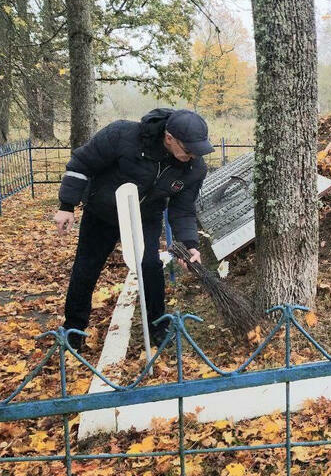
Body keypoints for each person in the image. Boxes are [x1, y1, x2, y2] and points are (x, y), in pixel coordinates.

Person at [54, 109, 213, 350]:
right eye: (188, 150)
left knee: (150, 265)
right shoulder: (122, 135)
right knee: (86, 268)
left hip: (144, 216)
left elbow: (183, 210)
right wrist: (67, 205)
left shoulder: (194, 168)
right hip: (103, 212)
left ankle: (158, 326)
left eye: (197, 151)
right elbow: (81, 163)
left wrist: (189, 244)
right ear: (169, 138)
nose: (192, 156)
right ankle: (73, 331)